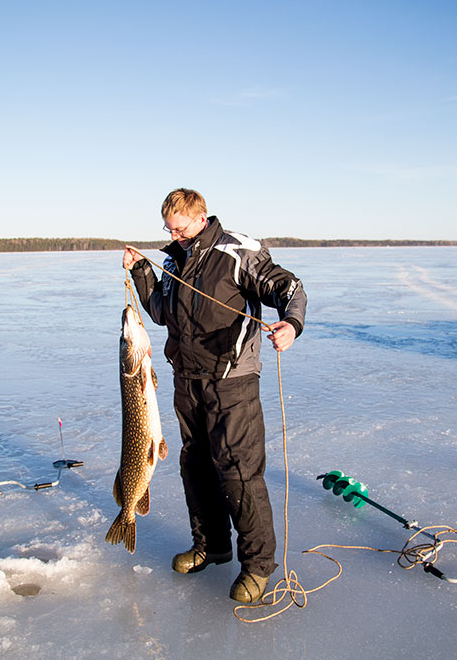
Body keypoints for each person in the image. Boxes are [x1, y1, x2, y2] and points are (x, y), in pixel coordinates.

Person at [122, 187, 307, 603]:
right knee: (196, 465)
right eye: (169, 228)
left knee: (239, 470)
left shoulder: (238, 251)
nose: (175, 234)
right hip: (187, 378)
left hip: (232, 378)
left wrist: (291, 324)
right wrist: (141, 272)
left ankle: (258, 567)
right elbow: (162, 312)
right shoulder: (173, 260)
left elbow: (289, 288)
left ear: (200, 218)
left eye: (180, 227)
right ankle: (212, 545)